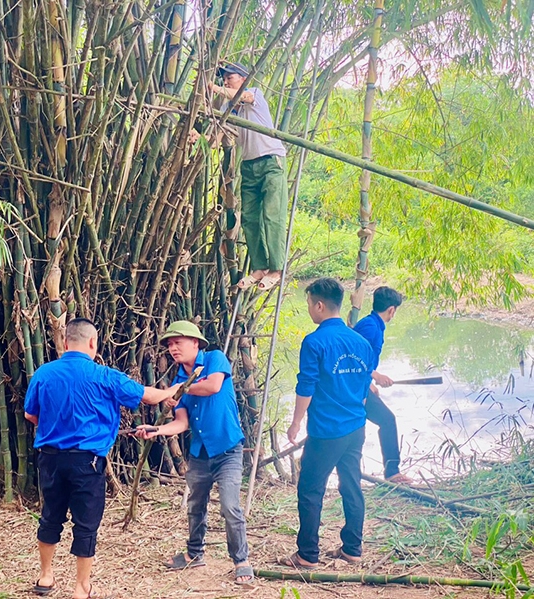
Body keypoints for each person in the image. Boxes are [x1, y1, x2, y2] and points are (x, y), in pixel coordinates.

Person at [24, 318, 179, 599]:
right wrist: (170, 391)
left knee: (50, 517)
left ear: (66, 342)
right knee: (86, 523)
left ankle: (45, 578)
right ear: (93, 343)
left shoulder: (43, 374)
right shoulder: (105, 376)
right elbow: (146, 396)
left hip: (50, 459)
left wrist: (56, 427)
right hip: (87, 463)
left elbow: (30, 414)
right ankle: (81, 587)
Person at [136, 320, 254, 585]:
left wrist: (177, 390)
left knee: (230, 506)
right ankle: (194, 553)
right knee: (195, 505)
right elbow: (181, 423)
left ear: (195, 343)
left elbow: (212, 386)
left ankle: (241, 560)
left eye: (178, 342)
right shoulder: (177, 379)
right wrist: (156, 430)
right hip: (200, 452)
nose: (172, 348)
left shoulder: (214, 359)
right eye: (169, 345)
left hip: (227, 449)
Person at [280, 278, 373, 569]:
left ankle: (307, 554)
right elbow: (365, 383)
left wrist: (295, 423)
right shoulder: (362, 341)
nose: (309, 309)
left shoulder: (315, 341)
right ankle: (352, 549)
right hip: (356, 426)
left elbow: (306, 386)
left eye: (309, 304)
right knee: (351, 485)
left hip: (327, 430)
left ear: (319, 305)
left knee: (310, 489)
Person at [208, 61, 288, 292]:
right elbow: (217, 134)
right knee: (251, 219)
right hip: (249, 166)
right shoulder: (229, 108)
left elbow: (242, 96)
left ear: (242, 80)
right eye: (223, 80)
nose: (225, 82)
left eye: (229, 78)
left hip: (271, 162)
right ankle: (260, 266)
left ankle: (276, 268)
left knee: (272, 216)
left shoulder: (254, 95)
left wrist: (213, 88)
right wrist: (200, 141)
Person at [353, 286, 413, 484]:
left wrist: (370, 382)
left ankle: (391, 471)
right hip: (353, 388)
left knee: (384, 421)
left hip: (360, 384)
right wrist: (376, 375)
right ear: (392, 310)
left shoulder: (373, 324)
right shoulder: (370, 327)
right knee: (387, 420)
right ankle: (392, 472)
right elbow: (353, 358)